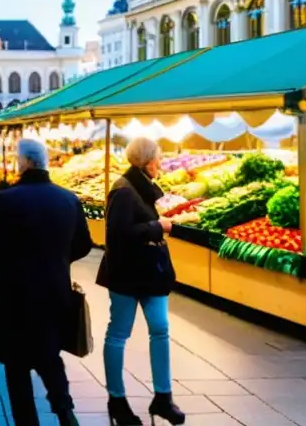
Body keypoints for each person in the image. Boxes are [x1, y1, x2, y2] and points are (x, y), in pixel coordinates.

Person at [0, 139, 92, 426]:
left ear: (25, 163)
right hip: (53, 289)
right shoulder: (68, 199)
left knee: (16, 362)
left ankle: (26, 421)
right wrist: (58, 259)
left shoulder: (7, 199)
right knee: (49, 354)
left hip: (15, 293)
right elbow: (84, 244)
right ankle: (65, 411)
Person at [96, 137, 183, 426]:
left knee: (160, 328)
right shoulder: (123, 190)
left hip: (152, 273)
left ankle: (163, 397)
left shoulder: (144, 187)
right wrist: (157, 227)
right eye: (159, 157)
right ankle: (117, 400)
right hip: (126, 274)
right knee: (118, 334)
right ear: (147, 161)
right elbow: (117, 235)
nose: (162, 162)